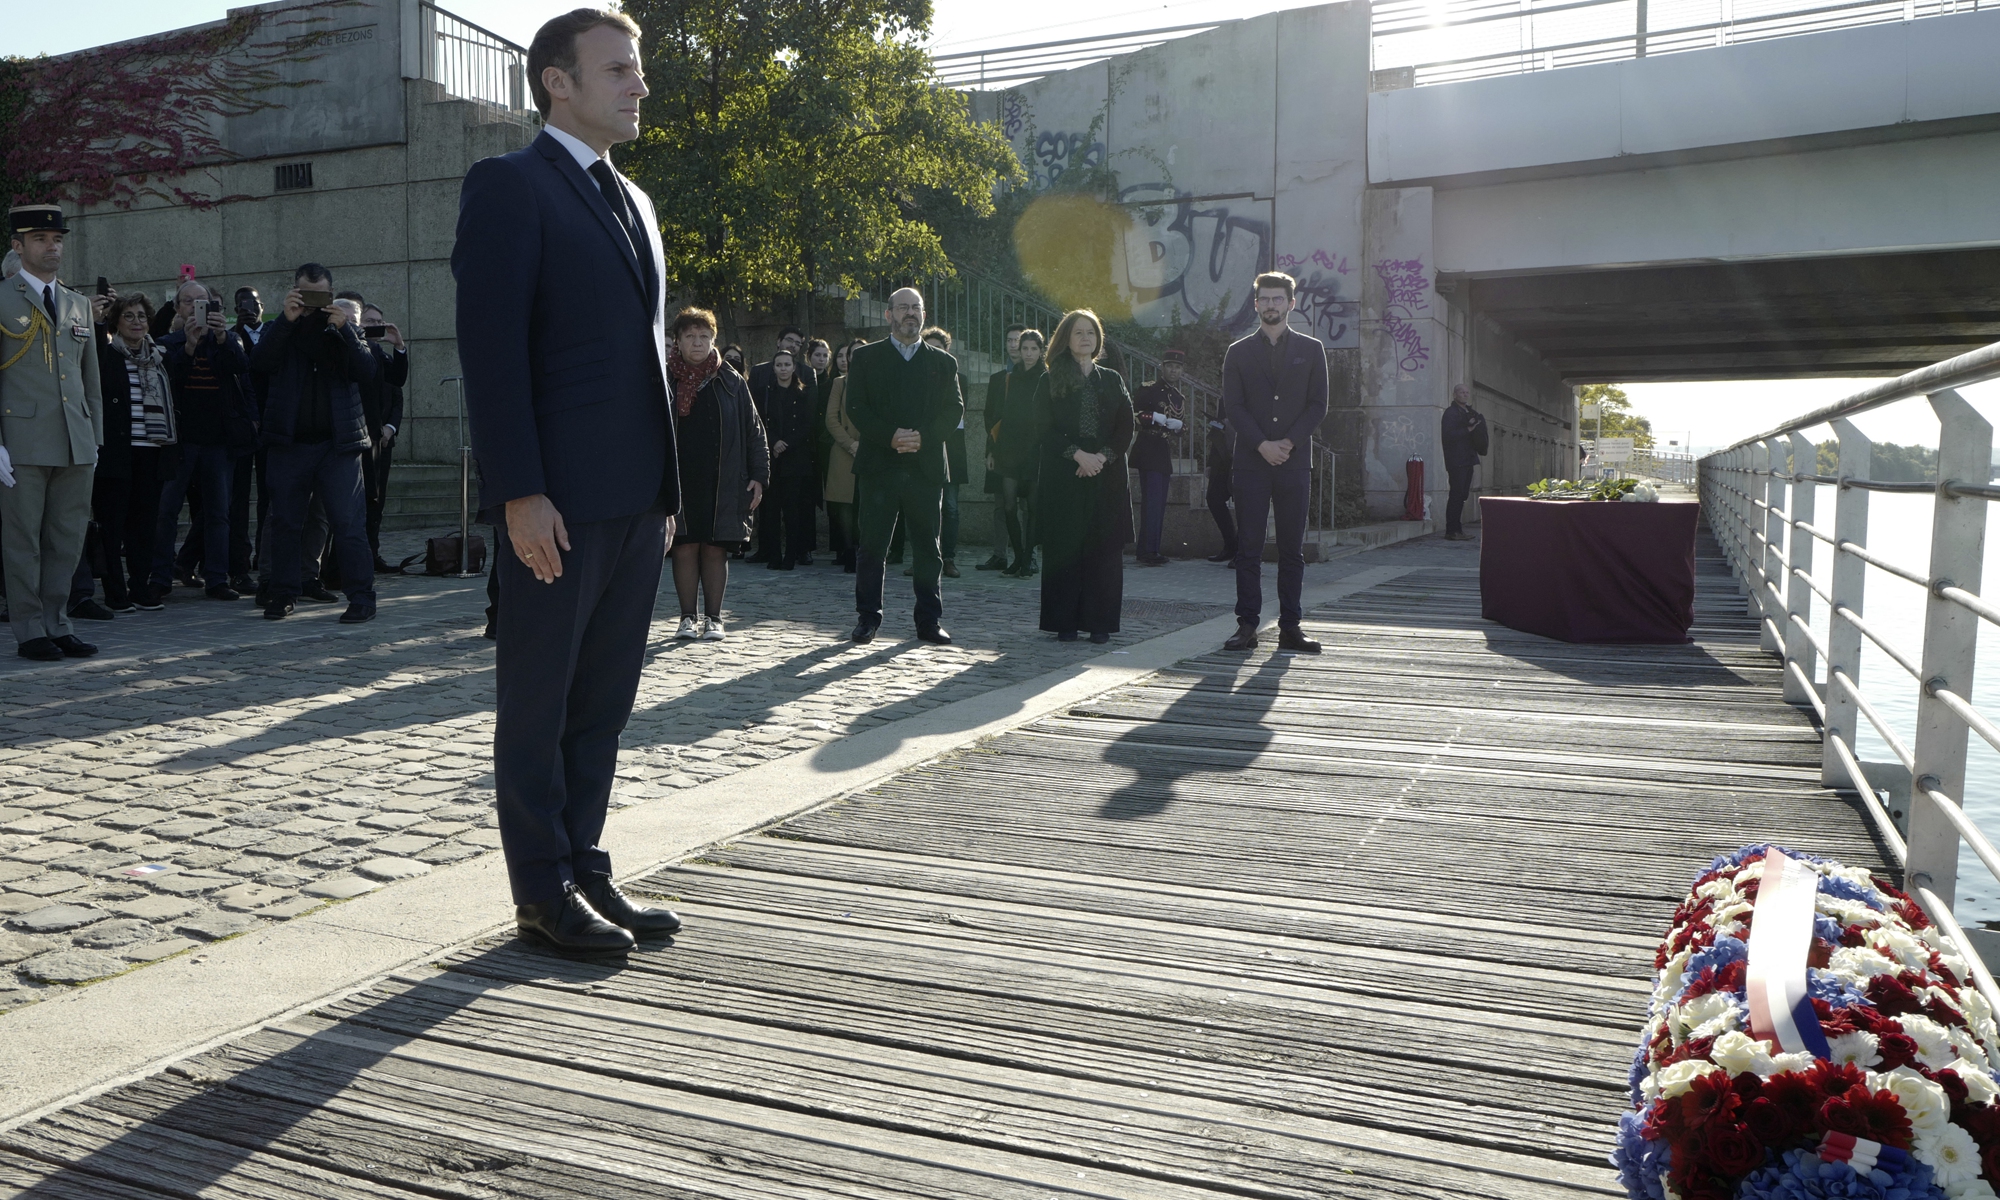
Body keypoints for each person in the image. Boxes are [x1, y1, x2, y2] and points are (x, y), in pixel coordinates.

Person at [454, 6, 683, 958]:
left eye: (638, 69)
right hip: (556, 502)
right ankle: (539, 891)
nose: (639, 84)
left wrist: (666, 497)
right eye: (619, 69)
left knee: (603, 700)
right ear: (558, 81)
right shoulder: (509, 185)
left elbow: (646, 358)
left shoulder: (635, 200)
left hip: (635, 500)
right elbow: (492, 353)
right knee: (539, 700)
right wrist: (520, 492)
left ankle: (585, 866)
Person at [0, 205, 103, 661]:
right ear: (17, 246)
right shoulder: (3, 298)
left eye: (57, 239)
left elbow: (90, 379)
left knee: (66, 539)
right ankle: (28, 628)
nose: (52, 246)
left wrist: (94, 437)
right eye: (40, 238)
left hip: (73, 438)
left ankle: (58, 622)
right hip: (20, 440)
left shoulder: (77, 303)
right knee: (23, 540)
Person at [251, 264, 378, 623]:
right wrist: (286, 321)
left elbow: (368, 373)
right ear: (294, 292)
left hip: (339, 445)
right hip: (288, 444)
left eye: (318, 295)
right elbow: (259, 364)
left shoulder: (343, 328)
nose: (310, 303)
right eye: (304, 294)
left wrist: (347, 332)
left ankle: (362, 598)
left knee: (348, 524)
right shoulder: (282, 328)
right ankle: (282, 592)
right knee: (285, 523)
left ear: (330, 293)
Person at [845, 287, 961, 646]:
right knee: (872, 547)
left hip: (925, 468)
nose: (910, 313)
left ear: (923, 314)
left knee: (928, 547)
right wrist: (890, 436)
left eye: (916, 308)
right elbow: (856, 408)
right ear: (889, 315)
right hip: (879, 465)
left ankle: (929, 620)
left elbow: (953, 410)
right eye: (903, 308)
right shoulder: (865, 358)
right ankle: (868, 618)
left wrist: (922, 438)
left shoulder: (943, 362)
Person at [1221, 272, 1328, 654]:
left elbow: (1318, 404)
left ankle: (1290, 627)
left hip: (1294, 463)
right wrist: (1262, 444)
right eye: (1264, 299)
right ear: (1255, 305)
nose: (1271, 305)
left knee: (1291, 550)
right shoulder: (1237, 352)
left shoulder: (1312, 349)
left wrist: (1287, 443)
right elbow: (1233, 406)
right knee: (1248, 548)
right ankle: (1247, 625)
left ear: (1291, 303)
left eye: (1278, 299)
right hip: (1251, 463)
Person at [666, 307, 766, 640]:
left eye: (704, 336)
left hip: (722, 477)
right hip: (679, 478)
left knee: (714, 547)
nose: (697, 343)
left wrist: (759, 475)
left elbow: (754, 430)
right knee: (683, 546)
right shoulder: (664, 378)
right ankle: (686, 617)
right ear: (678, 340)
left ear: (714, 340)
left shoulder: (731, 380)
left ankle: (714, 618)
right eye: (690, 336)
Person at [1034, 309, 1132, 644]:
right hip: (1065, 475)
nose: (1085, 338)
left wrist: (1101, 457)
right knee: (1065, 547)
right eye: (1078, 332)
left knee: (1103, 549)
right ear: (1066, 338)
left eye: (1090, 332)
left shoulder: (1111, 379)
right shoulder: (1050, 378)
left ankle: (1100, 623)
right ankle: (1065, 622)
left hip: (1106, 476)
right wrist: (1077, 454)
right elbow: (1041, 427)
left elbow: (1125, 427)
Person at [153, 281, 255, 603]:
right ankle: (159, 577)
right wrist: (188, 347)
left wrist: (222, 337)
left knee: (218, 512)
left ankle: (216, 578)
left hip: (217, 441)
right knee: (166, 510)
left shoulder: (228, 340)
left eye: (204, 302)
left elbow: (240, 367)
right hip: (179, 441)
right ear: (179, 308)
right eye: (189, 302)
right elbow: (168, 380)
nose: (196, 307)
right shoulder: (168, 343)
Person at [90, 292, 175, 614]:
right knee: (112, 527)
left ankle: (140, 587)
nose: (137, 321)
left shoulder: (160, 357)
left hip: (152, 452)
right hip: (116, 454)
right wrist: (97, 322)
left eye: (141, 316)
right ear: (116, 322)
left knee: (144, 526)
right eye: (129, 316)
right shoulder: (107, 356)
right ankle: (116, 591)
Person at [988, 329, 1045, 578]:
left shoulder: (1047, 376)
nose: (1029, 353)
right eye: (1025, 349)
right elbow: (1001, 416)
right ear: (1019, 351)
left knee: (1032, 507)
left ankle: (1027, 559)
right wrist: (992, 450)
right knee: (1008, 506)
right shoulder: (1012, 377)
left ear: (1041, 351)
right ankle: (1019, 556)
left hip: (1035, 449)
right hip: (1009, 448)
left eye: (1034, 349)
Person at [358, 300, 408, 571]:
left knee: (377, 500)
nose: (375, 326)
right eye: (369, 322)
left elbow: (398, 387)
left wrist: (399, 346)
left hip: (381, 440)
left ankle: (372, 553)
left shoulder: (381, 353)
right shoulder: (354, 351)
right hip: (356, 439)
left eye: (379, 322)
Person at [754, 347, 814, 569]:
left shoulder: (803, 393)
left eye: (787, 364)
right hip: (772, 457)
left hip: (795, 458)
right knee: (770, 511)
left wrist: (786, 443)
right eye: (779, 365)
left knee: (792, 510)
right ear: (773, 367)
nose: (783, 369)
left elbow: (807, 425)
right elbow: (758, 420)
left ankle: (791, 555)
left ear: (794, 367)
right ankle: (774, 554)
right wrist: (774, 441)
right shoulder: (765, 393)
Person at [1131, 349, 1187, 566]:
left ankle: (1149, 549)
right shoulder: (1149, 390)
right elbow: (1134, 415)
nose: (1174, 370)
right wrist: (1152, 416)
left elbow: (1182, 427)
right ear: (1162, 367)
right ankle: (1148, 551)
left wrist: (1181, 427)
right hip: (1148, 448)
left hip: (1163, 451)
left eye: (1178, 367)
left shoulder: (1178, 397)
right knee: (1152, 503)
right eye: (1170, 366)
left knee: (1158, 503)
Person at [922, 326, 967, 579]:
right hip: (923, 451)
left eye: (938, 348)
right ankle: (925, 557)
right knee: (924, 506)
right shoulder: (915, 378)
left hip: (952, 452)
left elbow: (956, 417)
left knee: (950, 507)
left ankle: (948, 558)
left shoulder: (960, 379)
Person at [822, 338, 866, 573]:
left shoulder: (876, 382)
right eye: (852, 353)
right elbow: (831, 419)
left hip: (870, 452)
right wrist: (850, 444)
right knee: (845, 508)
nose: (856, 357)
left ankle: (865, 553)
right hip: (844, 452)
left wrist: (867, 444)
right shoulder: (840, 383)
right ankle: (849, 554)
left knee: (865, 505)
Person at [1441, 384, 1487, 541]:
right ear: (1455, 395)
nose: (1465, 395)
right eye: (1462, 392)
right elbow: (1448, 436)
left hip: (1468, 459)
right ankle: (1451, 530)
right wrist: (1468, 429)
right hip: (1456, 460)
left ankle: (1457, 530)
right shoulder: (1451, 413)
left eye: (1467, 392)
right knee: (1456, 494)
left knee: (1462, 495)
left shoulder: (1469, 412)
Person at [1204, 410, 1236, 563]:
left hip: (1245, 455)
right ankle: (1231, 546)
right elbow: (1217, 427)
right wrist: (1210, 463)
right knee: (1213, 498)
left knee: (1245, 504)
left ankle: (1243, 553)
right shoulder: (1227, 393)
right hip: (1222, 456)